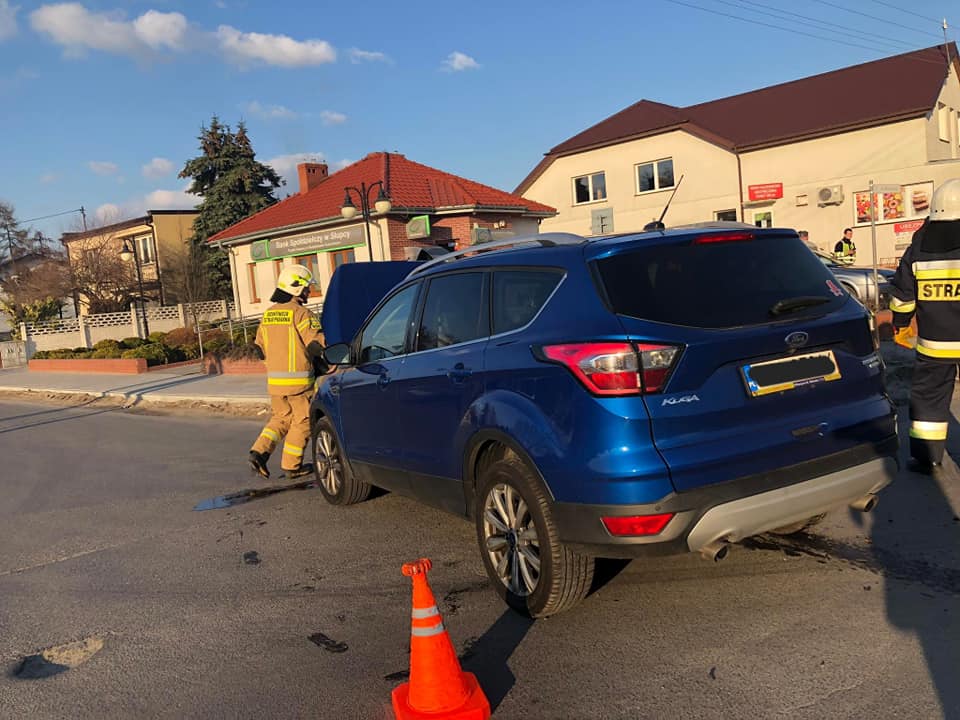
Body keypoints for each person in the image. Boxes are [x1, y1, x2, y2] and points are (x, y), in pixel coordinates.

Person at [889, 178, 960, 478]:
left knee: (929, 400)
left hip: (935, 343)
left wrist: (901, 324)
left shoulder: (920, 243)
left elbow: (902, 297)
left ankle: (928, 459)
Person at [248, 264, 327, 480]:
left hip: (275, 383)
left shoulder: (268, 315)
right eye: (306, 288)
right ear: (296, 288)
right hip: (300, 383)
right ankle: (292, 466)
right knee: (302, 422)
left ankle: (259, 452)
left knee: (280, 420)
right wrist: (327, 362)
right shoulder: (301, 313)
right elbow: (316, 344)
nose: (309, 291)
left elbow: (259, 348)